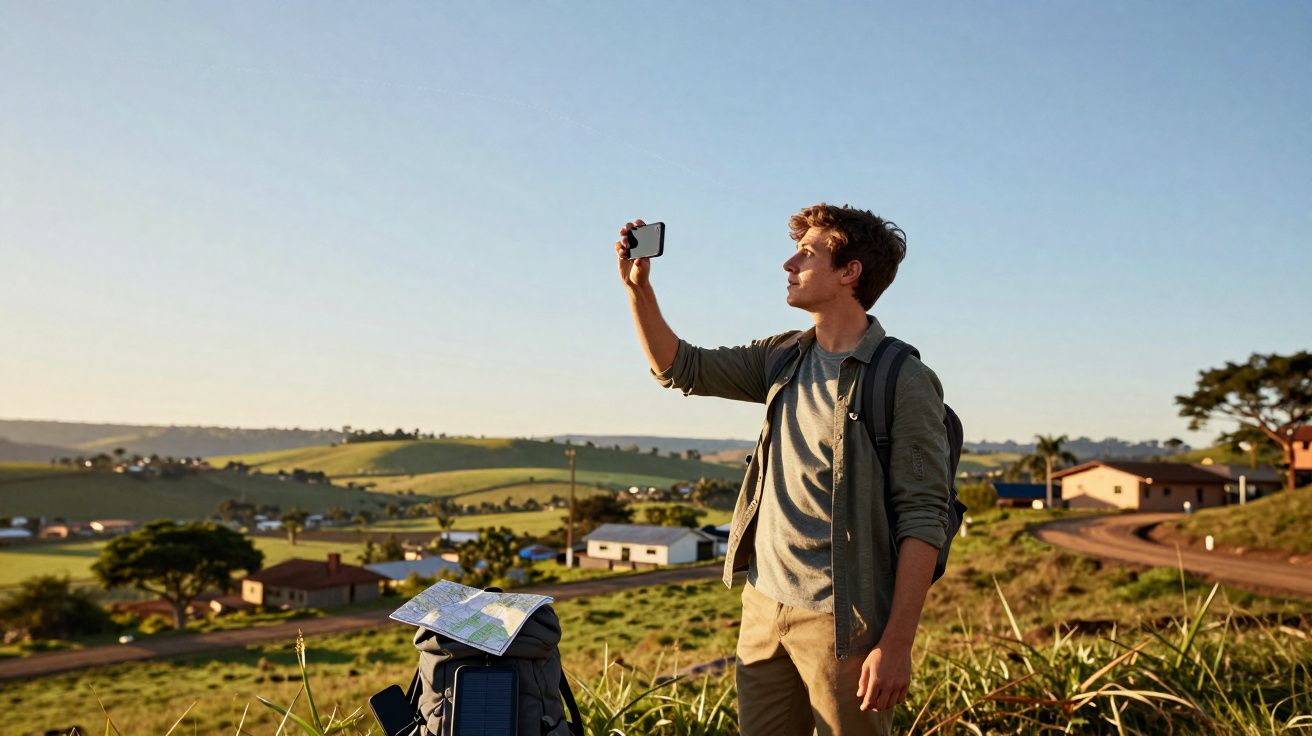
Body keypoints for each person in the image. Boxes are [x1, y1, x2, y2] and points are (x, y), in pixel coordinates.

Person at [614, 204, 951, 736]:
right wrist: (639, 291)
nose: (787, 263)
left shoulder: (902, 379)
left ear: (849, 272)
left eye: (808, 253)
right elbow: (681, 367)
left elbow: (925, 517)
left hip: (845, 626)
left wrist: (897, 644)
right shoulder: (783, 356)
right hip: (763, 607)